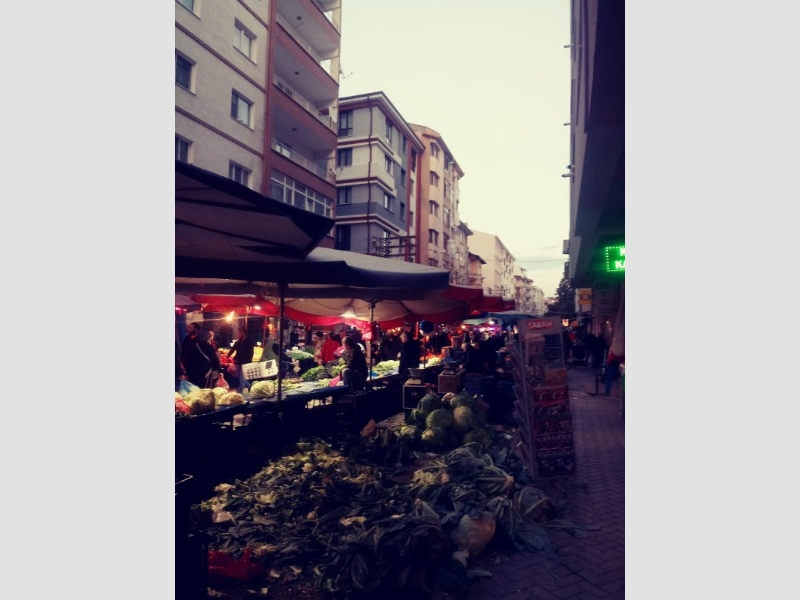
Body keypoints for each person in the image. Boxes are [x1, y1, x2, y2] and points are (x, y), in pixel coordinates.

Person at [228, 326, 255, 393]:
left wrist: (249, 362)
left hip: (245, 362)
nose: (238, 333)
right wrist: (228, 355)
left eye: (239, 332)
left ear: (243, 332)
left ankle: (240, 392)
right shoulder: (239, 341)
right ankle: (250, 386)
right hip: (238, 361)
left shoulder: (249, 342)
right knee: (238, 377)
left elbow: (251, 353)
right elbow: (233, 348)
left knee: (242, 378)